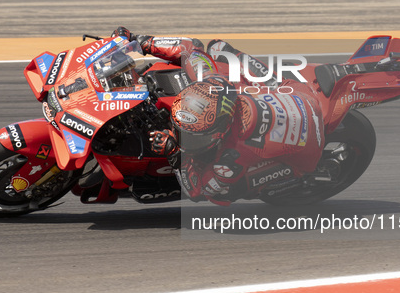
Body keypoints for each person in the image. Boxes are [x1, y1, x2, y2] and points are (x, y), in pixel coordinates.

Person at [111, 27, 325, 205]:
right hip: (296, 93)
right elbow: (189, 47)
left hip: (308, 150)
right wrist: (137, 41)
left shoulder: (233, 156)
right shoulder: (210, 81)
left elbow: (197, 191)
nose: (179, 135)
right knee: (218, 48)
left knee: (222, 193)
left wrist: (175, 153)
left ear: (220, 133)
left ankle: (293, 177)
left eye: (194, 137)